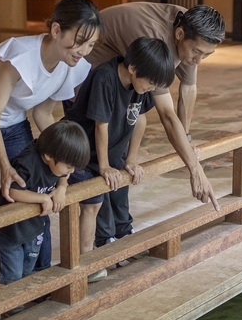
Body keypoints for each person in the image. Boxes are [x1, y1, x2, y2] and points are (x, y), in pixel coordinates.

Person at [0, 0, 102, 302]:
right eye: (79, 41)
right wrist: (5, 167)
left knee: (38, 188)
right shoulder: (20, 55)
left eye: (91, 45)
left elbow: (43, 114)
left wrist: (63, 168)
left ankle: (35, 278)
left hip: (15, 119)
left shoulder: (73, 66)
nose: (83, 51)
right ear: (57, 31)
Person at [83, 2, 225, 212]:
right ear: (179, 33)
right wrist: (196, 171)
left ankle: (118, 222)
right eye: (197, 52)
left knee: (123, 149)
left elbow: (188, 87)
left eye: (206, 54)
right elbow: (166, 115)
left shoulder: (193, 27)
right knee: (99, 157)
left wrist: (185, 139)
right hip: (87, 65)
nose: (199, 60)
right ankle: (102, 226)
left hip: (124, 76)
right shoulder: (155, 39)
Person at [64, 37, 175, 280]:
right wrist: (104, 166)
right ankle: (90, 258)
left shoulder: (140, 86)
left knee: (120, 190)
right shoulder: (105, 77)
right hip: (84, 154)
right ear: (133, 68)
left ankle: (123, 237)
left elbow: (140, 119)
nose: (150, 88)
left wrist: (130, 160)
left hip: (113, 151)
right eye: (150, 83)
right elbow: (100, 125)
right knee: (95, 201)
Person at [0, 121, 90, 290]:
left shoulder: (56, 163)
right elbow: (13, 191)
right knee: (10, 277)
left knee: (26, 273)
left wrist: (62, 187)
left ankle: (16, 306)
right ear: (49, 156)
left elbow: (63, 175)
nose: (70, 172)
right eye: (68, 166)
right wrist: (42, 198)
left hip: (33, 229)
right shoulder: (27, 163)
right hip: (11, 232)